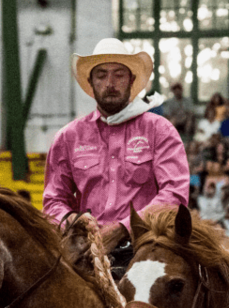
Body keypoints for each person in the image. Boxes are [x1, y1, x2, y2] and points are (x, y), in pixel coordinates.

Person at [42, 38, 188, 266]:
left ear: (131, 79)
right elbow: (53, 200)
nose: (110, 83)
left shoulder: (158, 130)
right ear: (90, 82)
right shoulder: (68, 137)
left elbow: (175, 195)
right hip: (86, 251)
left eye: (119, 75)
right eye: (101, 75)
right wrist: (69, 219)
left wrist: (122, 228)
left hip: (146, 250)